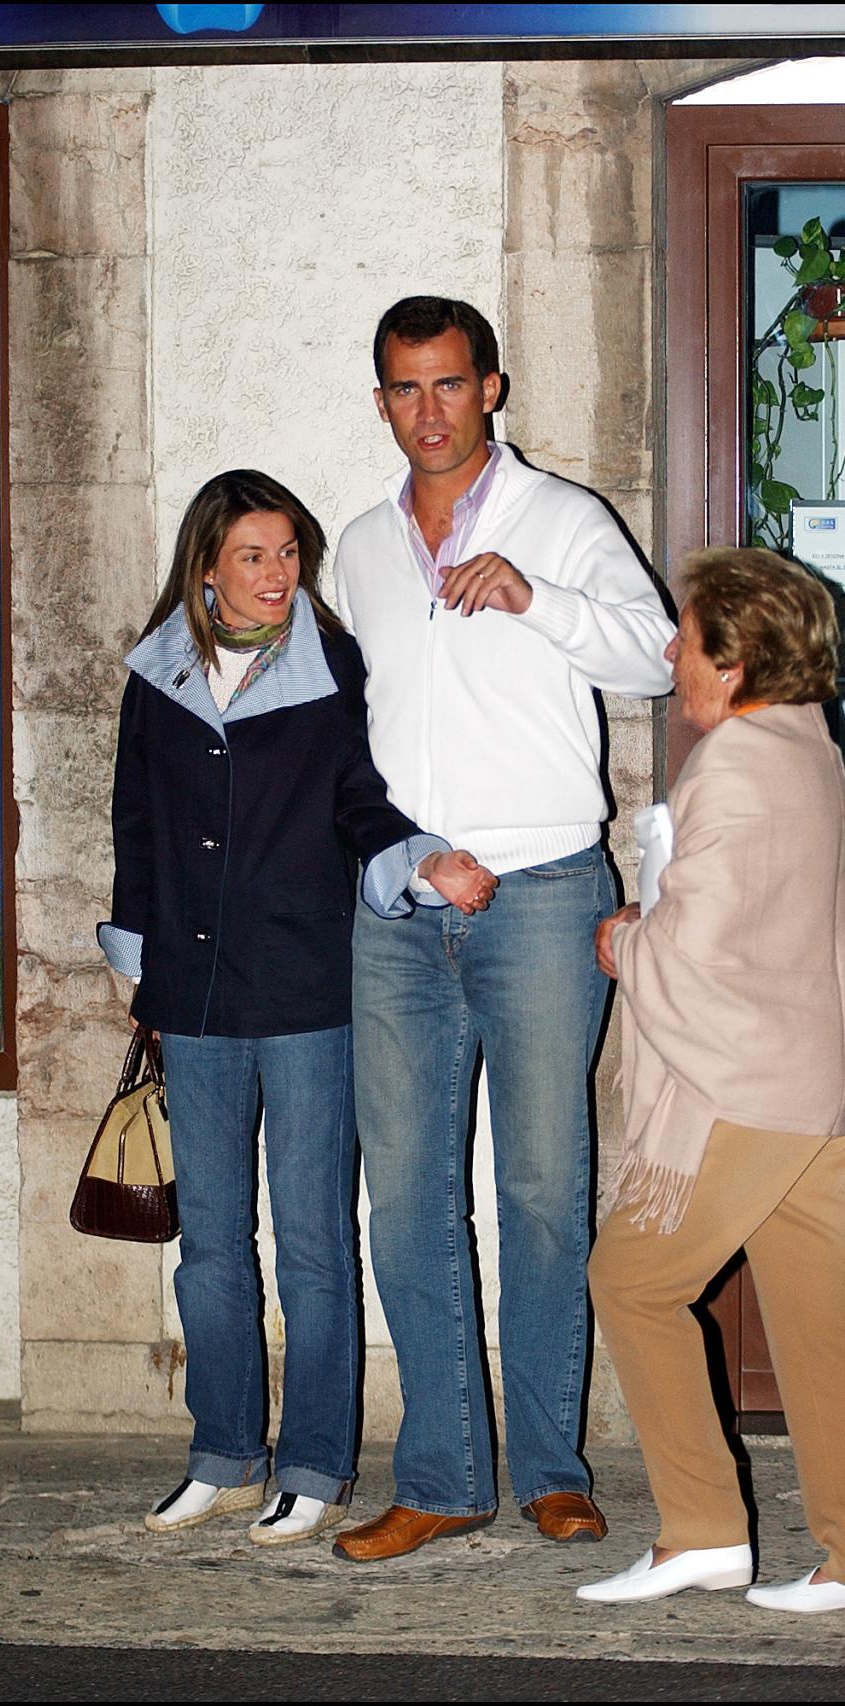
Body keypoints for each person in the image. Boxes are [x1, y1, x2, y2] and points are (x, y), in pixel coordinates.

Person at [330, 297, 675, 1563]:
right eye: (405, 390)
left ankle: (550, 1469)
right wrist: (392, 860)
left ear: (493, 389)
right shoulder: (362, 548)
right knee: (409, 1200)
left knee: (540, 1193)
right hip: (404, 911)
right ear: (382, 402)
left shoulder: (566, 521)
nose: (430, 411)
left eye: (450, 386)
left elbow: (654, 658)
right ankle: (443, 1473)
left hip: (540, 897)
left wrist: (539, 599)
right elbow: (344, 738)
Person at [98, 469, 496, 1548]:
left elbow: (362, 798)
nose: (280, 577)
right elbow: (136, 821)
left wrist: (421, 861)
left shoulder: (330, 668)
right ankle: (225, 1452)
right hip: (193, 989)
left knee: (317, 1240)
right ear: (208, 569)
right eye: (255, 558)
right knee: (212, 1243)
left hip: (310, 986)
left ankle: (317, 1459)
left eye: (289, 554)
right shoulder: (159, 675)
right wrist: (138, 961)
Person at [578, 547, 845, 1613]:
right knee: (820, 1327)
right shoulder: (812, 748)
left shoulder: (733, 762)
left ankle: (701, 1530)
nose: (670, 650)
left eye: (686, 636)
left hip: (743, 1089)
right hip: (814, 1083)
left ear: (732, 662)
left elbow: (700, 952)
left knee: (632, 1281)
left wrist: (624, 942)